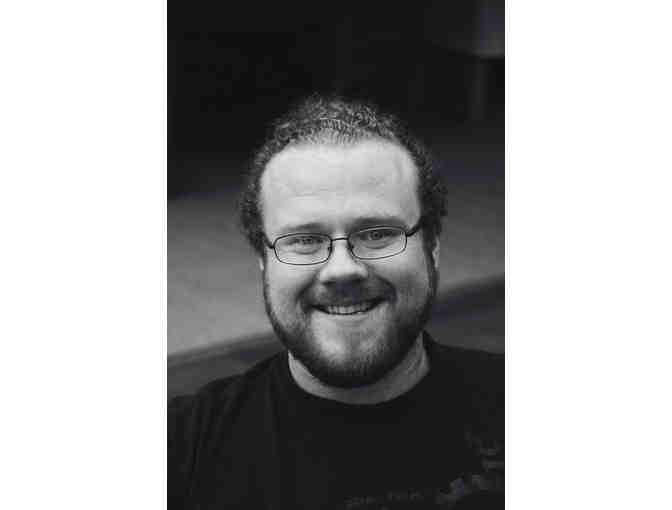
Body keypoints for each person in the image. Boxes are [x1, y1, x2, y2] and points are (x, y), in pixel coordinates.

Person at [168, 96, 504, 509]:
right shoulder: (180, 454)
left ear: (431, 247)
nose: (342, 269)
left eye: (377, 233)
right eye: (304, 240)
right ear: (264, 262)